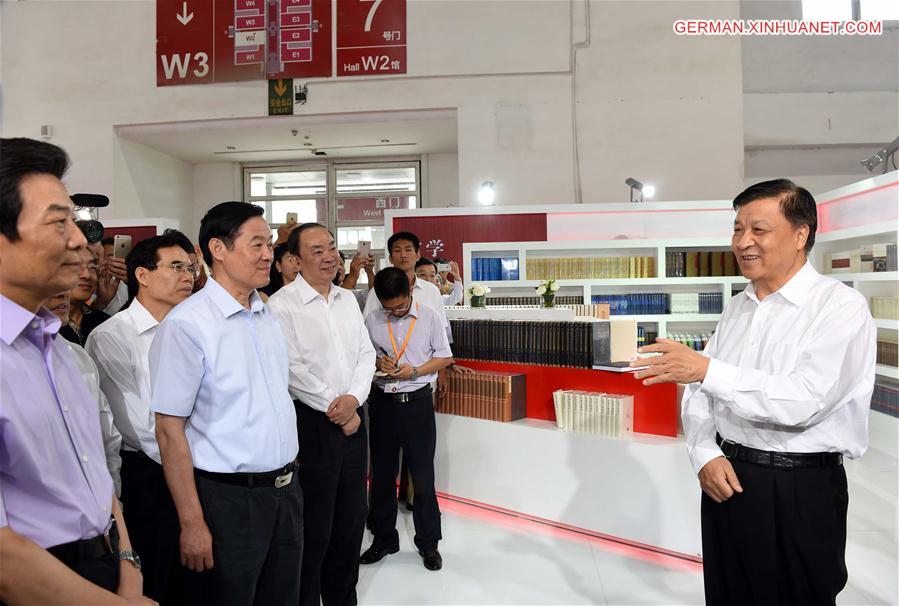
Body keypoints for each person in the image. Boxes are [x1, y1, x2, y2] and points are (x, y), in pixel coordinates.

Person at [632, 179, 876, 606]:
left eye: (758, 230)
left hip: (802, 488)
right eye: (737, 229)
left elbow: (805, 400)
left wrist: (706, 370)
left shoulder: (840, 308)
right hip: (728, 480)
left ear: (801, 235)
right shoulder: (738, 307)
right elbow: (699, 389)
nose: (743, 242)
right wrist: (704, 452)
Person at [0, 136, 153, 604]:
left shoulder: (62, 352)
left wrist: (126, 563)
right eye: (58, 222)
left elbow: (96, 472)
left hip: (101, 557)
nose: (79, 241)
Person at [149, 201, 302, 606]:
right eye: (257, 244)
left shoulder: (266, 314)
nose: (269, 254)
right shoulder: (187, 325)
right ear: (218, 249)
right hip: (228, 502)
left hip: (286, 493)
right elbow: (169, 430)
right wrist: (192, 521)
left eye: (269, 244)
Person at [268, 223, 375, 606]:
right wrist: (339, 408)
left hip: (355, 419)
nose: (330, 256)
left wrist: (354, 400)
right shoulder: (280, 306)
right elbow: (292, 370)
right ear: (295, 259)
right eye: (317, 250)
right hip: (315, 425)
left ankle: (343, 598)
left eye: (332, 247)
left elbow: (366, 355)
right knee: (315, 527)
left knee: (350, 522)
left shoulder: (347, 299)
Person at [86, 234, 196, 605]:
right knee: (157, 580)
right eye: (176, 266)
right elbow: (142, 426)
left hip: (197, 469)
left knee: (195, 582)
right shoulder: (113, 337)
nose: (188, 275)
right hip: (151, 475)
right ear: (143, 276)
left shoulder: (191, 329)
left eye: (191, 268)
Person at [360, 267, 454, 572]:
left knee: (423, 477)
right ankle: (384, 537)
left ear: (410, 292)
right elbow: (363, 354)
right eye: (389, 308)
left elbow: (444, 357)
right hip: (383, 404)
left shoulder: (429, 317)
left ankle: (429, 543)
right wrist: (378, 360)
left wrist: (413, 370)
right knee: (381, 477)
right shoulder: (373, 318)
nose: (395, 312)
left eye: (400, 306)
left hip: (416, 404)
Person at [45, 292, 123, 496]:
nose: (63, 294)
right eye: (52, 282)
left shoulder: (78, 356)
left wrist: (111, 499)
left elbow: (106, 438)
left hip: (95, 507)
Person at [60, 244, 112, 345]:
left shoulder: (104, 322)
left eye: (92, 267)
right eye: (76, 266)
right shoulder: (42, 324)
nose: (87, 275)